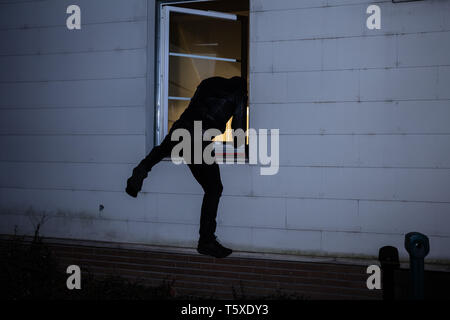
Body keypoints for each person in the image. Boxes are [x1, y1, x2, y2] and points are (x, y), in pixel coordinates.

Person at [126, 76, 248, 258]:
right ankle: (206, 241)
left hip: (180, 128)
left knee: (162, 150)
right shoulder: (240, 93)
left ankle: (141, 170)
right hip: (198, 138)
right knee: (214, 188)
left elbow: (193, 107)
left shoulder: (209, 81)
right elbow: (238, 137)